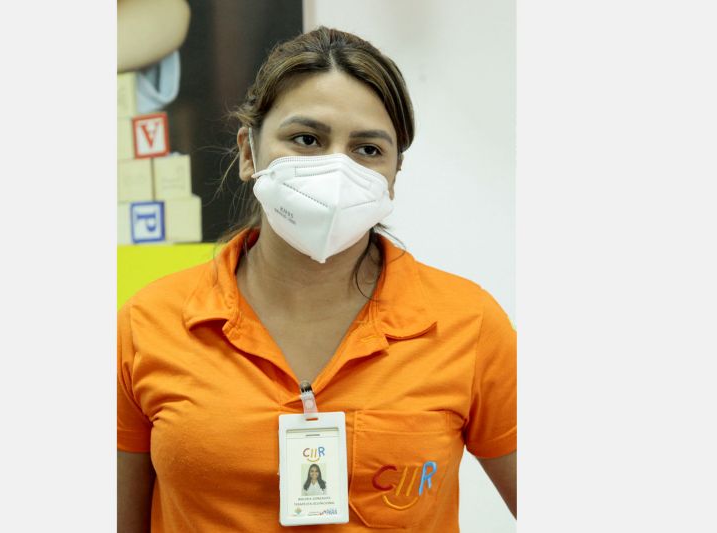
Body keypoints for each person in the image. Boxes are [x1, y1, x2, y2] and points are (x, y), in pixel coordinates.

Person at [118, 26, 516, 532]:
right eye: (306, 139)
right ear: (248, 152)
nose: (335, 169)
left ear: (393, 174)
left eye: (368, 150)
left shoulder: (468, 324)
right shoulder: (149, 323)